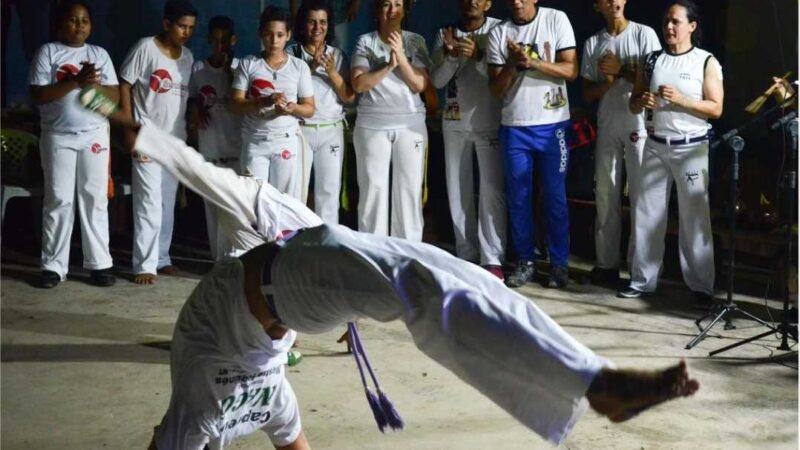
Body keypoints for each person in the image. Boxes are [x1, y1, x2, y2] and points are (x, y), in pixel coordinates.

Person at [114, 121, 700, 449]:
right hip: (289, 291)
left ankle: (592, 380)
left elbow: (199, 171)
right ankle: (593, 383)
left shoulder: (195, 409)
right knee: (427, 282)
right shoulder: (250, 403)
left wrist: (144, 138)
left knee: (454, 277)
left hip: (283, 279)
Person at [618, 0, 724, 304]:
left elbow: (715, 108)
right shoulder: (651, 60)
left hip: (691, 147)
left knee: (694, 218)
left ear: (692, 26)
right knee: (647, 214)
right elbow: (633, 102)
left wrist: (681, 100)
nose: (669, 27)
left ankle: (701, 286)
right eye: (666, 21)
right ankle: (642, 280)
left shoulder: (705, 61)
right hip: (654, 145)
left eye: (676, 21)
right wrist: (643, 101)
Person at [487, 0, 578, 289]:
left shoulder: (556, 19)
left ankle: (559, 264)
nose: (516, 1)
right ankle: (525, 261)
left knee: (555, 197)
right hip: (515, 127)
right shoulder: (499, 33)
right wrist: (514, 65)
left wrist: (533, 61)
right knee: (518, 197)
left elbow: (571, 70)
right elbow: (495, 90)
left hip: (553, 126)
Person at [28, 0, 118, 288]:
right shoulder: (48, 52)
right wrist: (76, 81)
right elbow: (39, 95)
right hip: (58, 136)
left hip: (94, 135)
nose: (79, 26)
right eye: (73, 20)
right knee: (59, 199)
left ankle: (99, 264)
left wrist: (93, 86)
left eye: (85, 21)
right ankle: (53, 267)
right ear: (59, 24)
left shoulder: (99, 54)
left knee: (95, 198)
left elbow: (114, 97)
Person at [581, 0, 661, 286]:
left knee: (641, 197)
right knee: (605, 195)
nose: (613, 2)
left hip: (638, 123)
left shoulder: (644, 34)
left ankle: (640, 273)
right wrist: (611, 79)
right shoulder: (593, 43)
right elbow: (589, 92)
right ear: (597, 6)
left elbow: (654, 79)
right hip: (608, 124)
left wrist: (622, 69)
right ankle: (606, 265)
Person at [119, 0, 196, 284]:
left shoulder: (187, 57)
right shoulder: (145, 48)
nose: (186, 32)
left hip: (174, 141)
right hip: (146, 137)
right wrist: (129, 130)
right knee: (148, 203)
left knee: (166, 203)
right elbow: (124, 84)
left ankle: (162, 257)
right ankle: (144, 265)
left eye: (190, 28)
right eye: (181, 26)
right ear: (166, 24)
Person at [431, 0, 506, 280]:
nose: (472, 2)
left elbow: (501, 77)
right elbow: (437, 82)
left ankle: (493, 259)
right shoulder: (445, 33)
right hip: (454, 122)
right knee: (458, 191)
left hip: (489, 121)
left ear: (487, 3)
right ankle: (467, 255)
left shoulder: (499, 29)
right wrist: (450, 57)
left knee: (491, 192)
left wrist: (478, 56)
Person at [350, 0, 431, 241]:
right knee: (373, 190)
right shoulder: (365, 41)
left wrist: (402, 58)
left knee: (409, 191)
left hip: (410, 125)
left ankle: (409, 252)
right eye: (386, 4)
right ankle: (373, 252)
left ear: (405, 10)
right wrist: (388, 64)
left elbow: (419, 84)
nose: (392, 10)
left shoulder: (415, 41)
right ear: (377, 10)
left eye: (397, 4)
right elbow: (358, 84)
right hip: (372, 125)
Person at [231, 6, 315, 201]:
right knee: (254, 200)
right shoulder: (248, 63)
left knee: (284, 201)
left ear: (288, 35)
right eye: (269, 34)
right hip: (255, 141)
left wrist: (293, 109)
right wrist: (264, 101)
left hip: (285, 141)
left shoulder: (298, 66)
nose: (274, 40)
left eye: (279, 35)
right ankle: (257, 233)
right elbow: (235, 104)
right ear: (261, 34)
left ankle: (282, 233)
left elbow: (309, 108)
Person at [289, 0, 355, 223]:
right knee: (296, 193)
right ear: (302, 25)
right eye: (312, 22)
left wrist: (332, 71)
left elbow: (348, 96)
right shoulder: (291, 53)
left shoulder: (338, 54)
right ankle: (296, 247)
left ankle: (328, 247)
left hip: (330, 130)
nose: (318, 28)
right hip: (299, 130)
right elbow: (286, 94)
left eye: (323, 22)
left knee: (328, 193)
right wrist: (310, 68)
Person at [188, 15, 243, 261]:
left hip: (236, 151)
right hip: (210, 150)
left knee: (235, 212)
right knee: (212, 214)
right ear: (209, 40)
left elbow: (236, 99)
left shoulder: (241, 67)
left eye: (225, 42)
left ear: (233, 41)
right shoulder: (198, 69)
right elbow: (189, 102)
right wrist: (195, 111)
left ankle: (236, 261)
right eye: (216, 41)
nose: (220, 47)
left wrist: (229, 67)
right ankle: (217, 263)